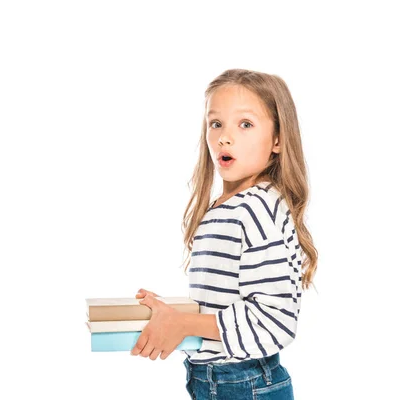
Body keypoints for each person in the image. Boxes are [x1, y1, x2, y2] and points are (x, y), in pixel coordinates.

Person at [130, 68, 318, 399]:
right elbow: (229, 302)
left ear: (278, 139)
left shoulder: (255, 208)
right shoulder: (230, 205)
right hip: (218, 378)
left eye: (245, 124)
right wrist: (173, 314)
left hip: (245, 384)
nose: (224, 137)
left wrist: (184, 325)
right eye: (216, 123)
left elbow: (274, 319)